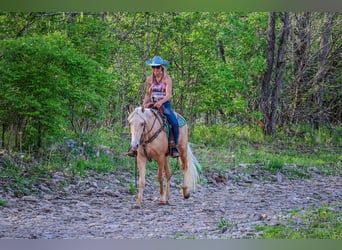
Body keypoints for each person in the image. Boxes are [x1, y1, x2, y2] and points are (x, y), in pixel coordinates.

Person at [127, 56, 180, 158]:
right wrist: (144, 105)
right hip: (152, 104)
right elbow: (148, 94)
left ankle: (174, 146)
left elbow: (168, 95)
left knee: (174, 121)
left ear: (162, 67)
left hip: (164, 104)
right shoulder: (149, 79)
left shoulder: (167, 79)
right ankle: (136, 147)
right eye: (153, 67)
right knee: (139, 121)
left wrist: (161, 102)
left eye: (157, 67)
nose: (155, 69)